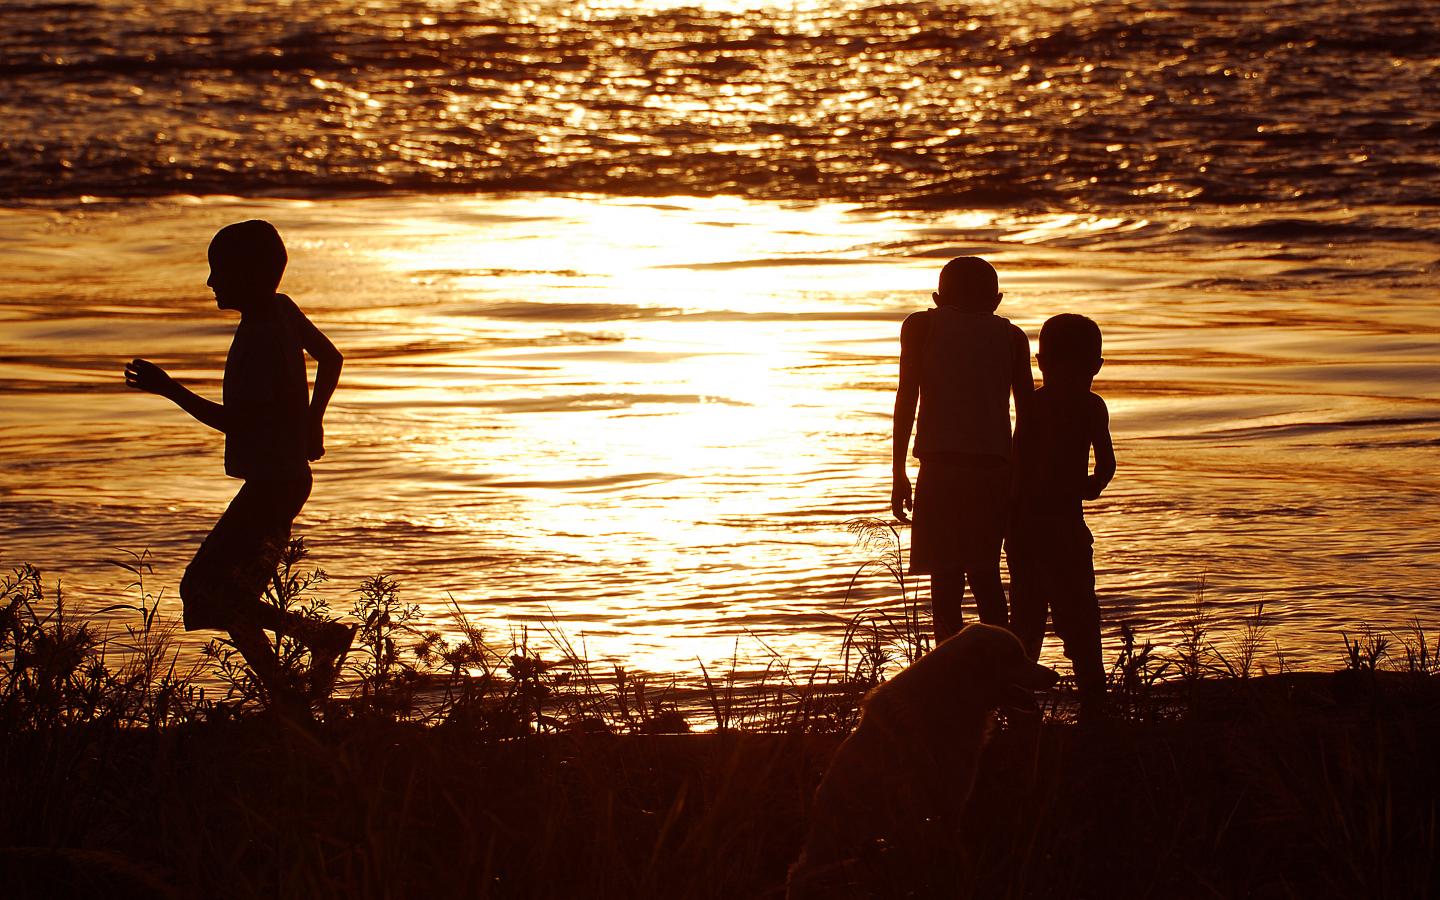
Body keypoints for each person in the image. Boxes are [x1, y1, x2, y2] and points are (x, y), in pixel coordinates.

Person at [124, 219, 352, 701]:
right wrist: (314, 420)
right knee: (232, 596)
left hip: (273, 483)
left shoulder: (258, 339)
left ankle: (314, 644)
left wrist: (168, 388)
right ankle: (288, 695)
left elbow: (238, 423)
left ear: (246, 274)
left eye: (219, 271)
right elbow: (331, 359)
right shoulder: (282, 310)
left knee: (206, 587)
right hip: (288, 478)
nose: (210, 283)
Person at [891, 257, 1033, 643]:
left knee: (945, 582)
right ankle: (1007, 681)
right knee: (987, 578)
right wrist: (1021, 479)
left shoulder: (920, 326)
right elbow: (1028, 416)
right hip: (994, 470)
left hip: (941, 468)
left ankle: (949, 678)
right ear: (997, 300)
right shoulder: (1013, 337)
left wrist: (898, 472)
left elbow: (907, 398)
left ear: (937, 298)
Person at [1006, 313, 1115, 719]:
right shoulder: (1089, 405)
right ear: (1097, 365)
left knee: (1034, 616)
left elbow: (1016, 465)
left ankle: (1023, 709)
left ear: (1040, 361)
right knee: (1075, 616)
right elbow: (1106, 464)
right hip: (1058, 524)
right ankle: (1093, 702)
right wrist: (1091, 485)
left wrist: (1008, 518)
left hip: (1033, 524)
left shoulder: (1035, 404)